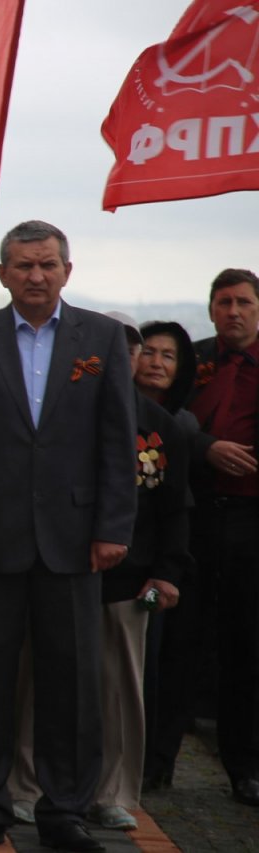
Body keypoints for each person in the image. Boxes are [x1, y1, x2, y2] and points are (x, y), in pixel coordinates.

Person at [0, 220, 136, 853]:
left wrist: (111, 526)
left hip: (74, 541)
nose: (36, 276)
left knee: (71, 682)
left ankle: (65, 810)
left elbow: (116, 440)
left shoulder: (99, 337)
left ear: (67, 271)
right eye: (23, 266)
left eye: (47, 265)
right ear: (2, 274)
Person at [8, 313, 189, 833]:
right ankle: (26, 785)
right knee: (35, 685)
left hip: (125, 581)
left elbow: (176, 510)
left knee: (116, 690)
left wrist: (168, 572)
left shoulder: (159, 425)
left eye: (131, 349)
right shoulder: (56, 415)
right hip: (52, 569)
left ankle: (111, 792)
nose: (125, 356)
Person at [183, 268, 259, 807]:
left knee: (245, 647)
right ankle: (157, 759)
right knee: (181, 635)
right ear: (210, 309)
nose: (233, 312)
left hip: (251, 519)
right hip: (194, 515)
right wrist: (205, 445)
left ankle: (244, 766)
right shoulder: (195, 360)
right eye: (223, 302)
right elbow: (163, 414)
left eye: (244, 303)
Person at [134, 320, 203, 792]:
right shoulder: (107, 410)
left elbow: (175, 502)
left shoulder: (182, 424)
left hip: (164, 559)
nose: (156, 363)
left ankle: (150, 762)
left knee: (155, 661)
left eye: (169, 356)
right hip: (120, 563)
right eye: (149, 352)